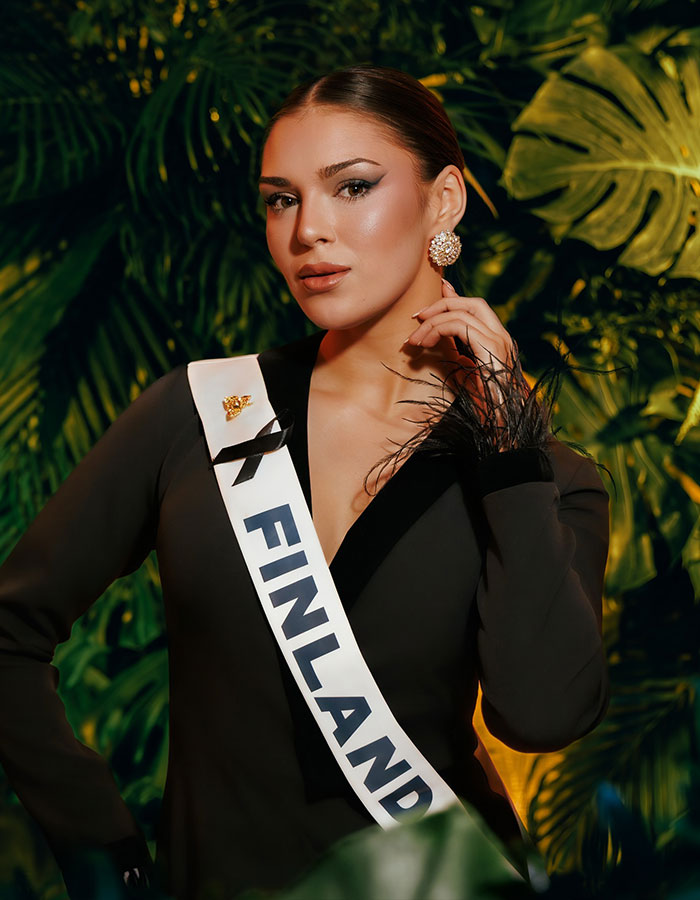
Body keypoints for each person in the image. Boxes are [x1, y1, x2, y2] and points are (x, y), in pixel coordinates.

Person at [0, 65, 610, 900]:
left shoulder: (543, 479)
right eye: (281, 199)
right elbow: (10, 631)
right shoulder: (202, 412)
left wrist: (509, 451)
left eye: (351, 186)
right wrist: (102, 851)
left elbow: (541, 717)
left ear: (444, 202)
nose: (308, 231)